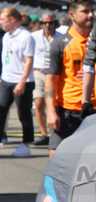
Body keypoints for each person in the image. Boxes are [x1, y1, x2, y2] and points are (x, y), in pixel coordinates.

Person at [43, 0, 96, 149]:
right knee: (56, 158)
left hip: (95, 110)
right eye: (85, 11)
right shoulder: (59, 44)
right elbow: (50, 80)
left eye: (92, 11)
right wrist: (52, 112)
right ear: (72, 15)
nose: (91, 15)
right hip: (68, 111)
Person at [0, 7, 35, 157]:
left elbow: (29, 61)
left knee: (23, 113)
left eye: (2, 19)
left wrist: (22, 82)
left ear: (12, 19)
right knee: (1, 111)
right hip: (6, 79)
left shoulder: (26, 37)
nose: (0, 22)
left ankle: (26, 144)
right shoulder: (6, 36)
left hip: (22, 81)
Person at [31, 13, 57, 145]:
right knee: (39, 101)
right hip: (39, 73)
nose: (47, 25)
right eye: (45, 23)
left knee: (54, 103)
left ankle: (55, 132)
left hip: (55, 74)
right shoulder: (34, 37)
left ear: (54, 23)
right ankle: (43, 134)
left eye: (50, 23)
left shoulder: (60, 37)